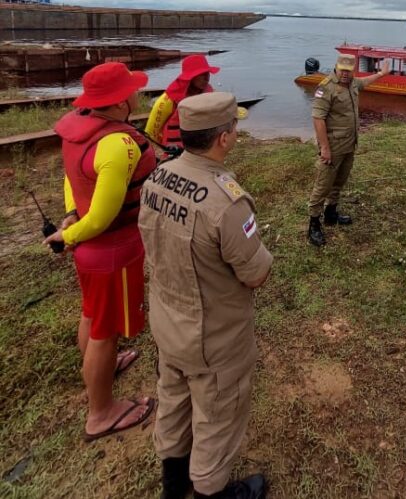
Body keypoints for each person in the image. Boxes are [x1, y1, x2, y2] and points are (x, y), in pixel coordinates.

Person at [138, 92, 272, 499]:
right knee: (216, 420)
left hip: (166, 323)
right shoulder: (226, 202)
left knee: (174, 403)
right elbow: (256, 274)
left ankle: (173, 487)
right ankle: (211, 492)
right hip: (214, 339)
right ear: (224, 139)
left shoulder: (157, 177)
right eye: (234, 128)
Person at [46, 62, 157, 441]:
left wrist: (69, 217)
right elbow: (106, 216)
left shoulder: (78, 128)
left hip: (89, 252)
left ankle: (99, 372)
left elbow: (69, 177)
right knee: (105, 332)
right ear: (120, 101)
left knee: (92, 316)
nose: (136, 94)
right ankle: (101, 412)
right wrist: (70, 234)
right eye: (131, 90)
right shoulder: (118, 144)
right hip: (112, 251)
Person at [307, 53, 390, 246]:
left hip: (349, 145)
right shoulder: (326, 88)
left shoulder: (353, 83)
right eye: (342, 70)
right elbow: (318, 119)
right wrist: (325, 148)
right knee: (323, 185)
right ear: (336, 67)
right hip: (333, 147)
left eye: (349, 70)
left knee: (339, 182)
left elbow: (365, 82)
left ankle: (331, 214)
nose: (345, 74)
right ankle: (313, 224)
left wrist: (381, 73)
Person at [145, 54, 220, 149]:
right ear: (190, 77)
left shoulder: (208, 93)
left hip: (200, 147)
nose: (207, 78)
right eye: (201, 74)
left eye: (207, 73)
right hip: (174, 149)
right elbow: (151, 132)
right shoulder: (168, 99)